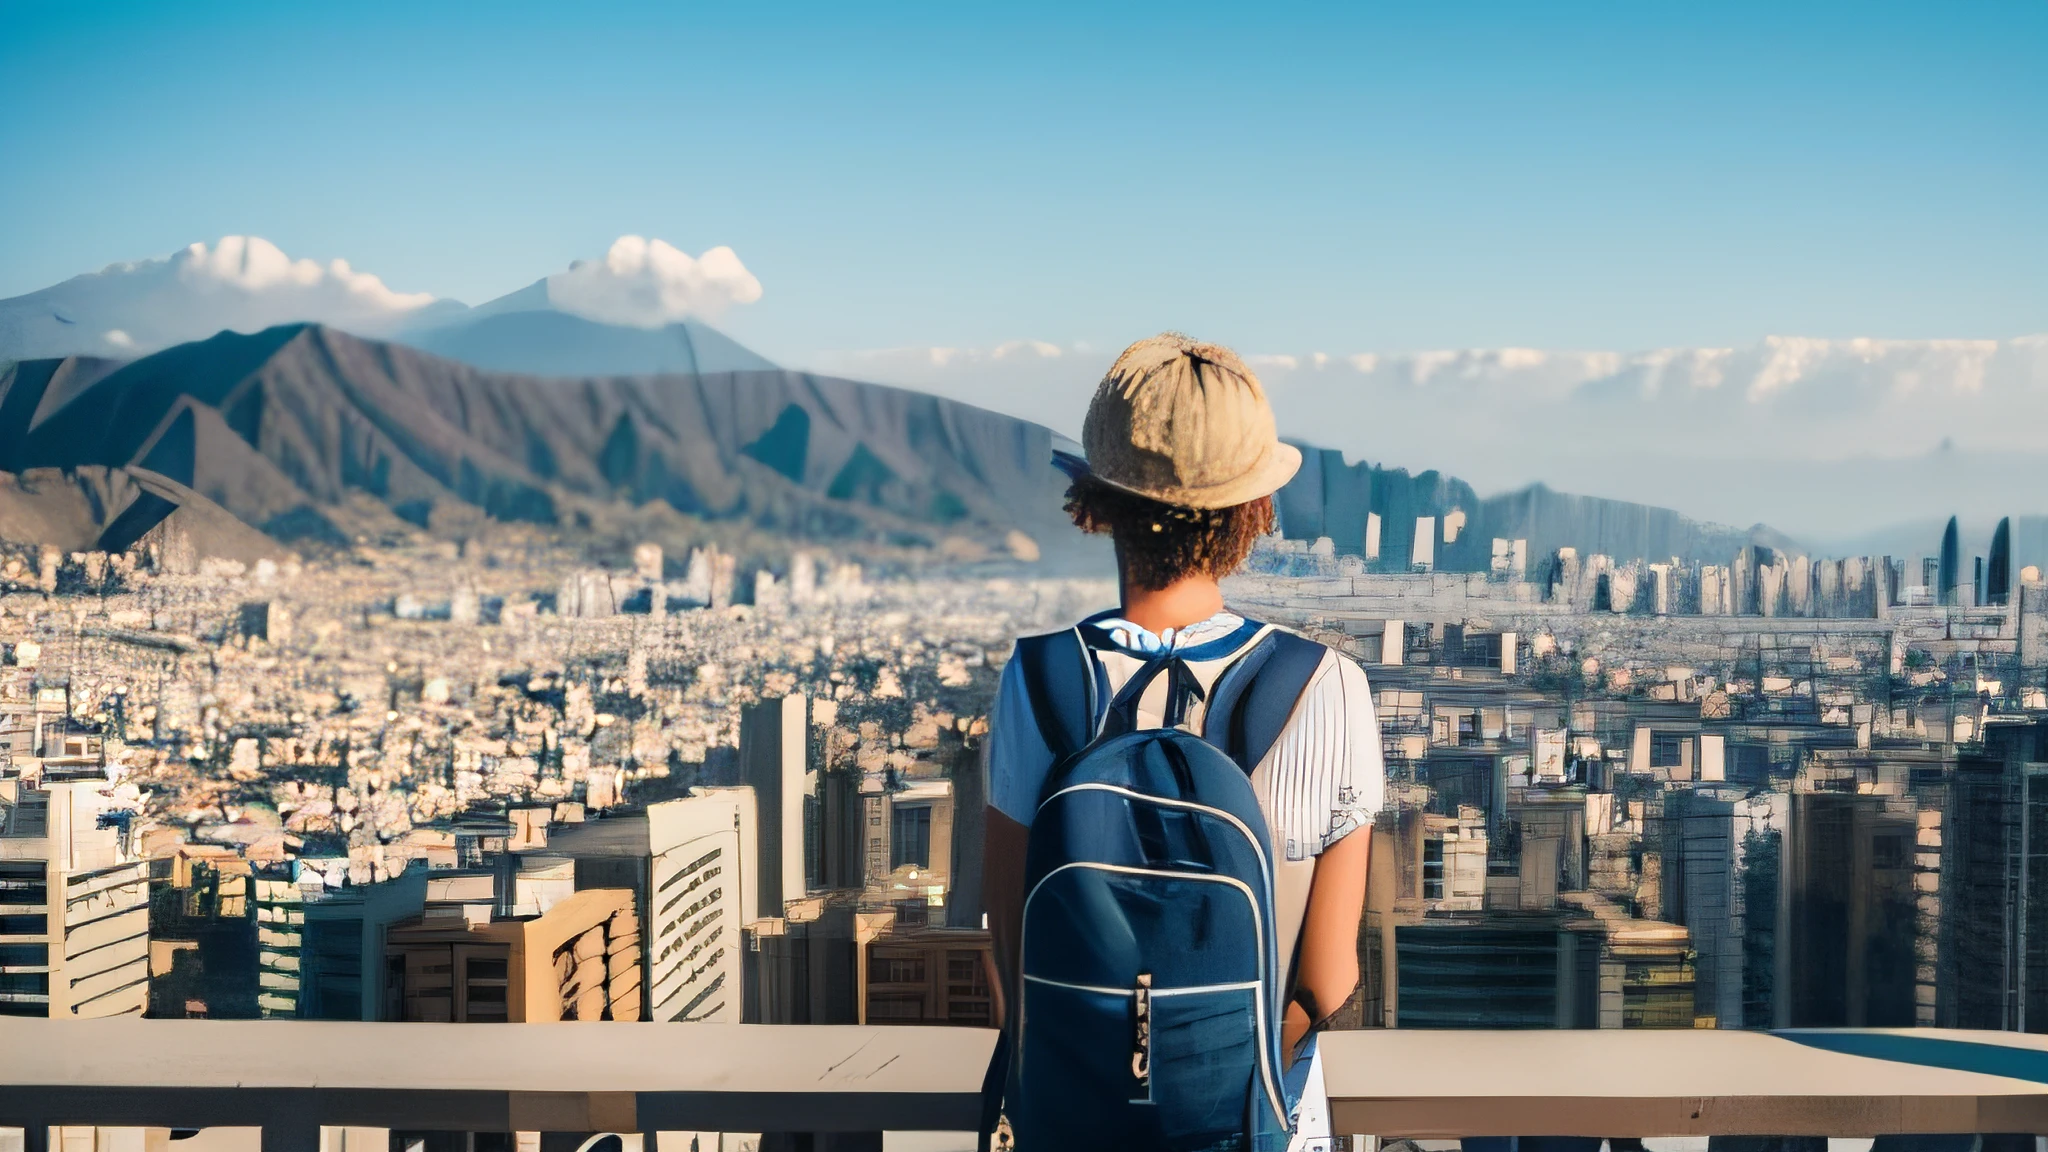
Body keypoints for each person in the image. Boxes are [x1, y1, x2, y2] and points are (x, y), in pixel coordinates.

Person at [981, 333, 1383, 1151]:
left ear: (1097, 502)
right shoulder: (1324, 685)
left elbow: (1011, 947)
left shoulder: (1038, 679)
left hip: (1076, 1124)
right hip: (1252, 1123)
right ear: (1253, 510)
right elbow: (1327, 979)